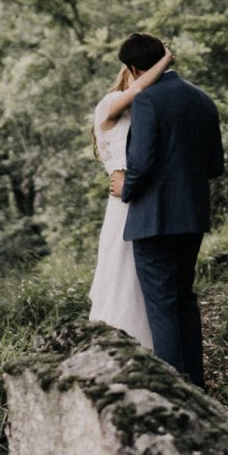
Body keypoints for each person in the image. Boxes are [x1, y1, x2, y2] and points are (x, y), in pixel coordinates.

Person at [109, 31, 224, 390]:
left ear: (131, 67)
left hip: (153, 220)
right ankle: (197, 386)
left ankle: (178, 390)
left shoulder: (147, 100)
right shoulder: (203, 100)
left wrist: (125, 188)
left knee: (161, 305)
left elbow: (140, 163)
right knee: (185, 299)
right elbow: (215, 165)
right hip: (191, 216)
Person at [88, 41, 175, 347]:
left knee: (143, 280)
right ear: (132, 71)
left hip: (140, 195)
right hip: (124, 202)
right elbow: (136, 91)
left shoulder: (143, 107)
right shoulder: (110, 103)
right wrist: (165, 61)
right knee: (123, 277)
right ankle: (124, 347)